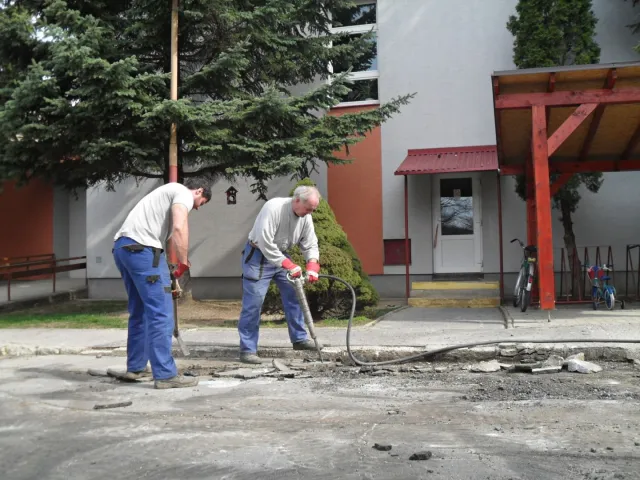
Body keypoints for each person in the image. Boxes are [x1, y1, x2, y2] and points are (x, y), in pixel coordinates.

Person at [112, 179, 211, 389]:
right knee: (161, 313)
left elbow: (166, 235)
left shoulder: (164, 194)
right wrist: (184, 263)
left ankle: (135, 367)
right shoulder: (182, 192)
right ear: (199, 191)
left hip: (123, 248)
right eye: (201, 202)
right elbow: (178, 227)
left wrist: (168, 266)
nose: (197, 207)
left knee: (139, 311)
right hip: (142, 250)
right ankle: (165, 374)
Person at [237, 185, 323, 364]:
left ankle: (299, 339)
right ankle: (248, 350)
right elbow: (264, 242)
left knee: (296, 295)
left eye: (313, 210)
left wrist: (313, 265)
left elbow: (310, 243)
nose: (309, 213)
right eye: (308, 208)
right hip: (258, 256)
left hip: (281, 257)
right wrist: (289, 264)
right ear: (297, 200)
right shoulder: (273, 208)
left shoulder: (305, 217)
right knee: (253, 304)